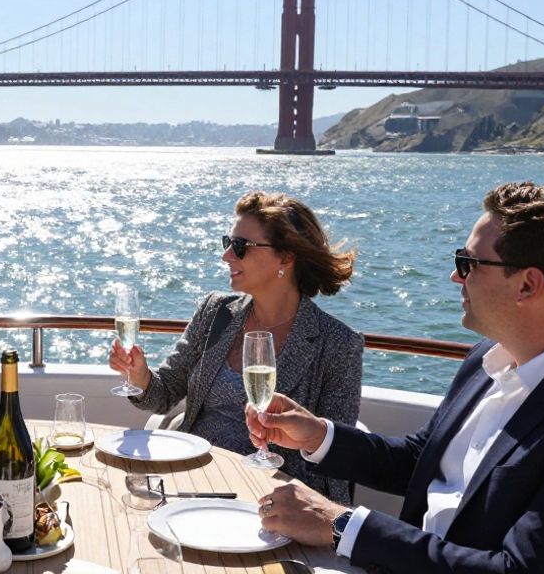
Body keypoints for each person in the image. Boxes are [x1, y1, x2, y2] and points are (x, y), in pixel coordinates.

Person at [247, 182, 544, 573]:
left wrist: (341, 525)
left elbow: (518, 571)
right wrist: (318, 436)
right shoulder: (491, 356)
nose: (455, 276)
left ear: (527, 285)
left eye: (467, 263)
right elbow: (423, 460)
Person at [109, 190, 362, 503]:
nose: (227, 255)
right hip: (191, 480)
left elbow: (336, 455)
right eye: (227, 243)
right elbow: (165, 393)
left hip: (271, 497)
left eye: (240, 246)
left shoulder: (337, 344)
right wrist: (140, 375)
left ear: (286, 257)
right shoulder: (216, 312)